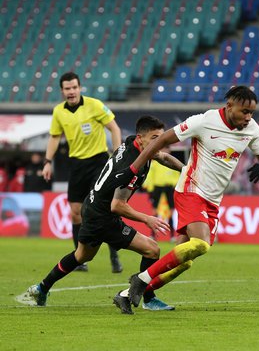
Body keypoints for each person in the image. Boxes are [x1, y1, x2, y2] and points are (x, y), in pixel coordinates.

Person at [122, 86, 259, 309]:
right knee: (201, 244)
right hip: (191, 190)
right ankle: (141, 280)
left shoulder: (251, 128)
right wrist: (134, 167)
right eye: (244, 112)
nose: (248, 117)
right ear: (229, 106)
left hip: (213, 200)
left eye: (252, 112)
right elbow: (162, 140)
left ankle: (129, 294)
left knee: (185, 261)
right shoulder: (204, 121)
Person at [18, 116, 183, 314]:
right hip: (104, 216)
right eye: (155, 138)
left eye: (161, 137)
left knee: (82, 255)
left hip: (92, 206)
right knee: (152, 250)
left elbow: (162, 157)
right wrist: (147, 218)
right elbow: (117, 205)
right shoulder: (131, 167)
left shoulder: (136, 145)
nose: (160, 142)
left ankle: (41, 288)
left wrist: (187, 169)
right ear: (140, 139)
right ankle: (148, 297)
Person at [42, 72, 123, 273]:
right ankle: (79, 258)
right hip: (77, 165)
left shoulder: (95, 105)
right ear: (62, 91)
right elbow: (54, 137)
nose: (71, 92)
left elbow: (114, 128)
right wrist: (47, 162)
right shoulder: (58, 112)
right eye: (67, 89)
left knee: (104, 210)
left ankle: (114, 254)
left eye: (74, 87)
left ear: (80, 88)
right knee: (76, 212)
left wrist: (118, 155)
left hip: (99, 162)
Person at [142, 146, 180, 239]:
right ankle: (153, 235)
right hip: (157, 187)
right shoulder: (155, 163)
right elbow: (149, 176)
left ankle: (172, 236)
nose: (165, 150)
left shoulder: (172, 162)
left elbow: (178, 175)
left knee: (171, 211)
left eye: (167, 149)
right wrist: (149, 190)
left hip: (169, 188)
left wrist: (176, 186)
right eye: (163, 149)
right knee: (155, 211)